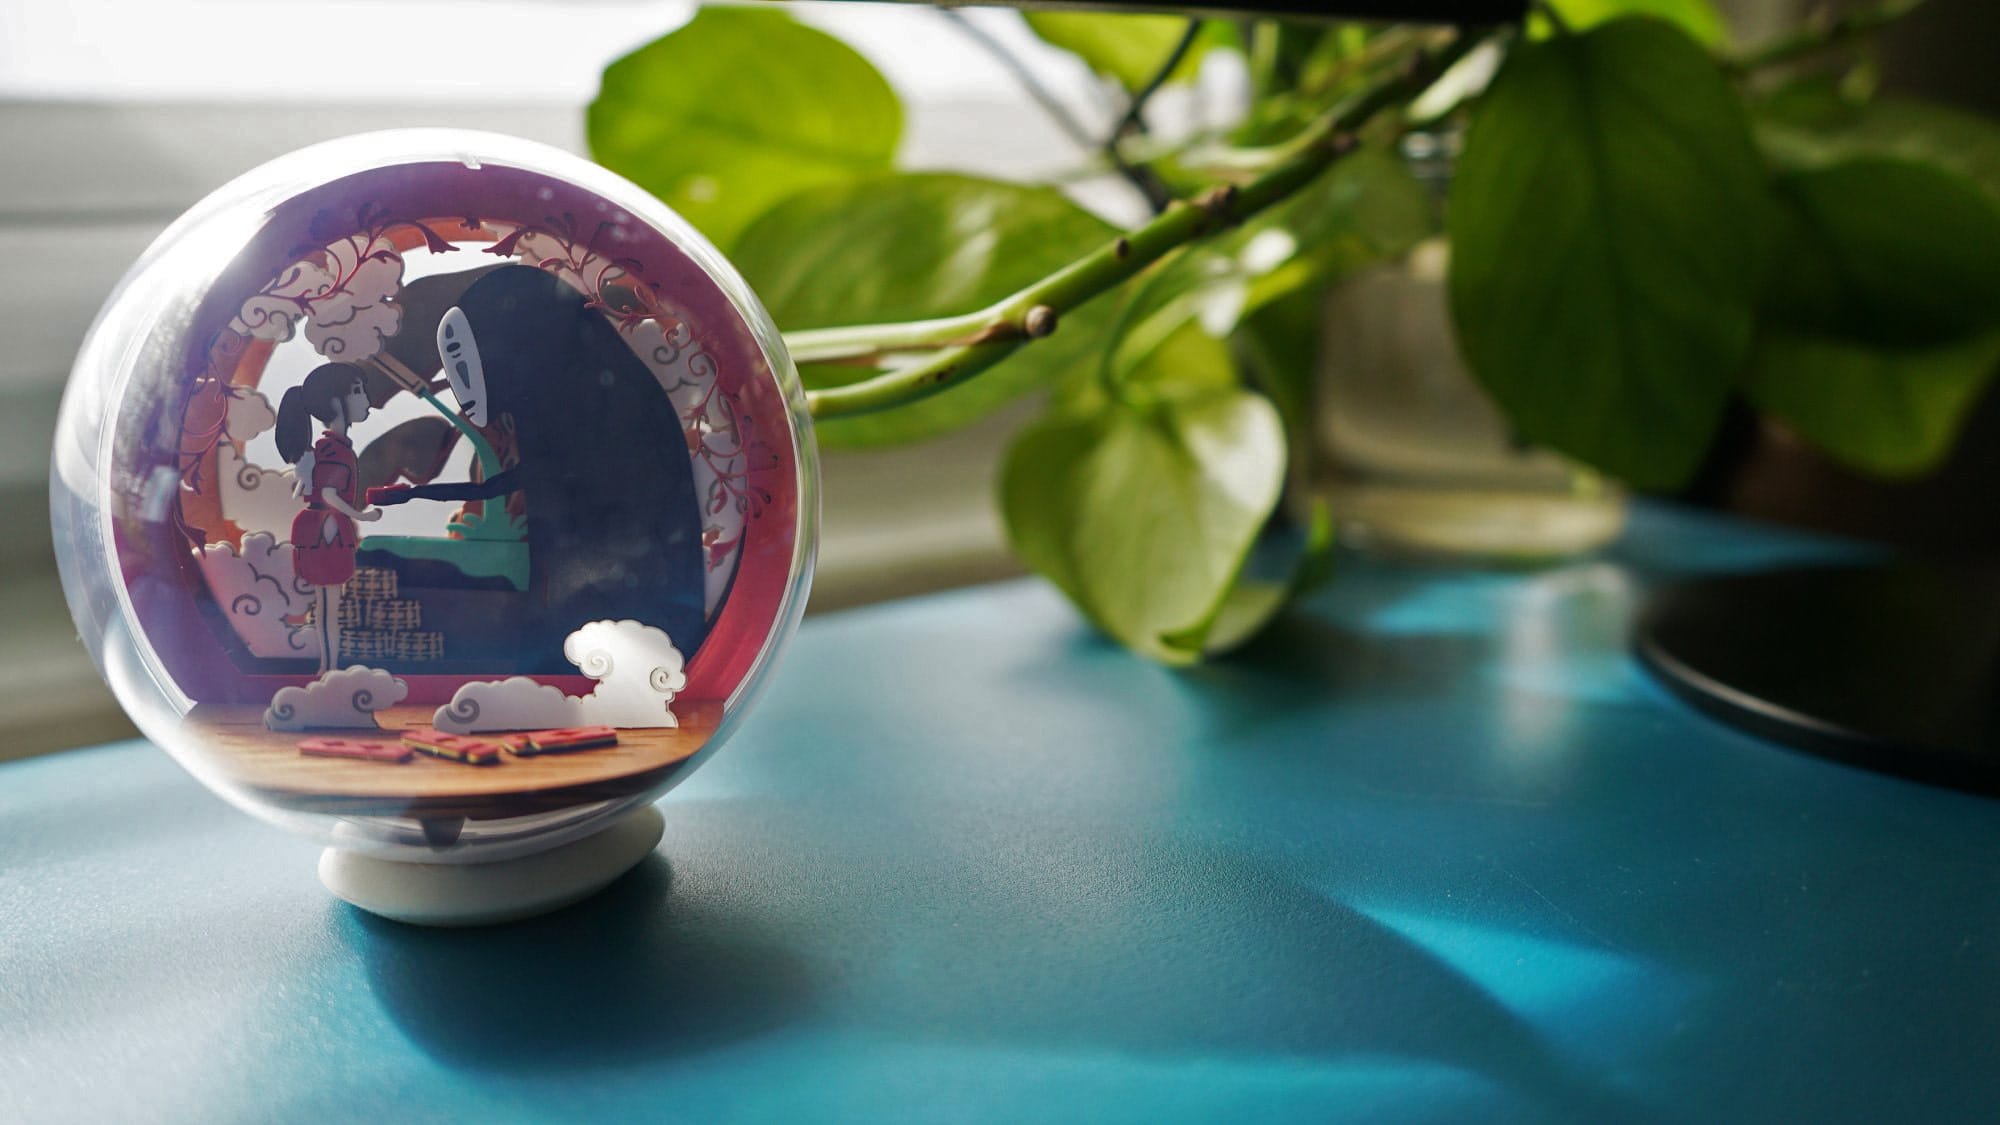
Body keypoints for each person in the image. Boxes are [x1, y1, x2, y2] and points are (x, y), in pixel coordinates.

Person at [276, 362, 382, 672]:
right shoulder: (334, 450)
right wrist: (363, 514)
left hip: (320, 531)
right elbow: (328, 494)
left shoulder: (328, 448)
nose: (367, 401)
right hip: (327, 533)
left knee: (326, 607)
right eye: (359, 393)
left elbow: (313, 488)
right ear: (337, 403)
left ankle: (328, 666)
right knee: (329, 608)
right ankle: (329, 668)